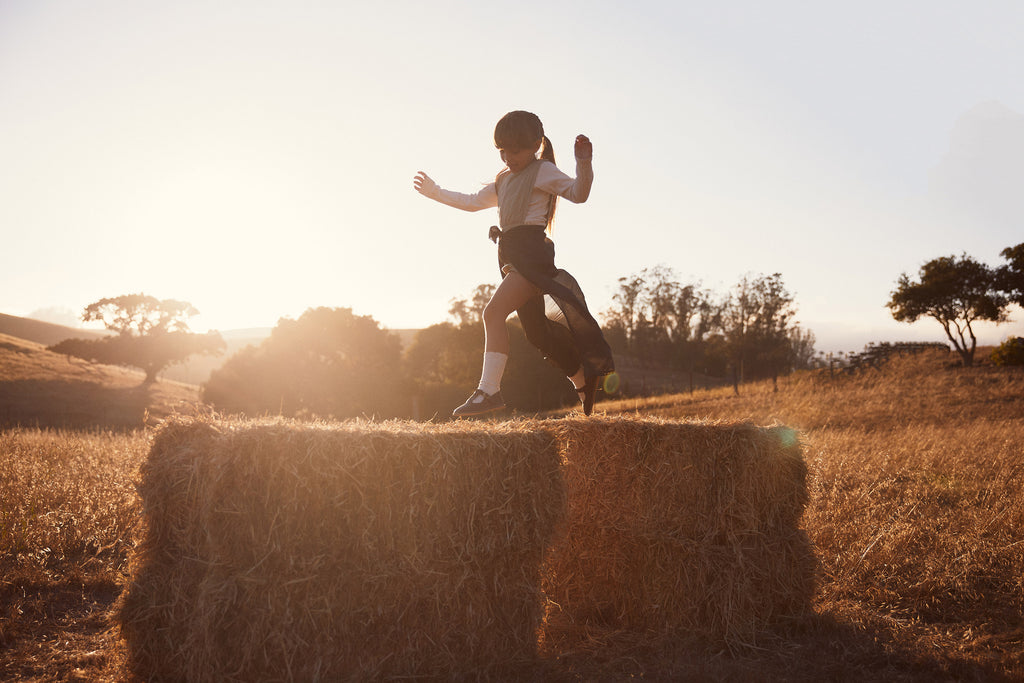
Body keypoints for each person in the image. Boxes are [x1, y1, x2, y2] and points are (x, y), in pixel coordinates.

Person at [413, 110, 615, 417]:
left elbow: (578, 193)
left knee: (492, 313)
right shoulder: (503, 180)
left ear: (536, 144)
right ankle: (583, 381)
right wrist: (435, 192)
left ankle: (488, 391)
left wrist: (583, 163)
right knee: (536, 333)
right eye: (502, 151)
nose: (509, 157)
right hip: (511, 257)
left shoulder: (543, 171)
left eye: (516, 150)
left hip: (532, 256)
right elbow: (470, 202)